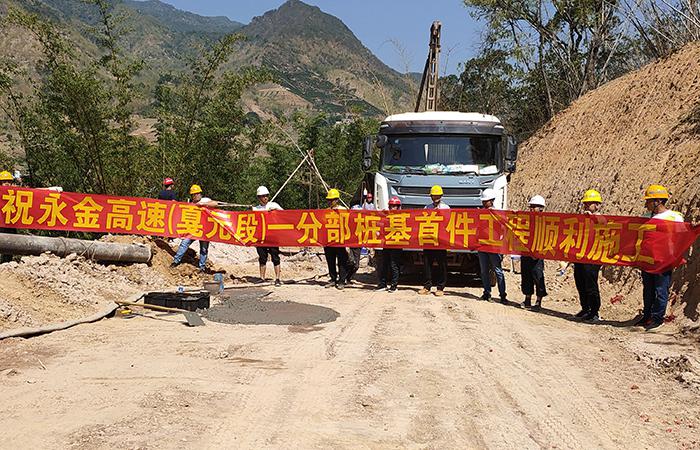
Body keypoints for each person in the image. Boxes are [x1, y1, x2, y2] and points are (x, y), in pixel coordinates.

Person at [635, 184, 684, 331]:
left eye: (648, 201)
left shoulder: (674, 217)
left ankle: (657, 319)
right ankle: (647, 316)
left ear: (658, 201)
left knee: (660, 290)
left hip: (663, 261)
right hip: (648, 260)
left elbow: (682, 235)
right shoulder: (646, 218)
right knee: (648, 290)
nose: (646, 204)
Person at [171, 184, 218, 272]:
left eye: (197, 193)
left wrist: (203, 204)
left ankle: (202, 267)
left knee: (204, 249)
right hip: (193, 229)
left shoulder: (205, 200)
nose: (196, 195)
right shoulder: (191, 203)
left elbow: (215, 204)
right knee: (184, 244)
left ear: (200, 193)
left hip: (204, 230)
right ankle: (176, 261)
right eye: (194, 194)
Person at [573, 189, 603, 322]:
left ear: (597, 205)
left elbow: (603, 226)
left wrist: (592, 217)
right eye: (585, 203)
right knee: (580, 281)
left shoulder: (601, 218)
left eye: (589, 203)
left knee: (591, 284)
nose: (586, 206)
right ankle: (585, 308)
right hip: (581, 255)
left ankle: (594, 311)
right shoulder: (582, 218)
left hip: (593, 257)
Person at [418, 185, 449, 297]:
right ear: (431, 196)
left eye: (437, 196)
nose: (436, 198)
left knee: (442, 265)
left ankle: (440, 287)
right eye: (434, 196)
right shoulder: (427, 208)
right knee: (427, 264)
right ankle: (427, 286)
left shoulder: (446, 208)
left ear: (441, 196)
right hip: (429, 239)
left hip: (440, 240)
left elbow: (448, 223)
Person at [477, 188, 507, 303]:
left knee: (497, 270)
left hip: (494, 246)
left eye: (486, 201)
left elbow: (504, 227)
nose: (484, 203)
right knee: (484, 271)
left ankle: (503, 295)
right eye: (483, 201)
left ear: (492, 200)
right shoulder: (480, 213)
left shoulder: (498, 213)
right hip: (483, 245)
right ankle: (487, 292)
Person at [521, 195, 548, 311]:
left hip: (538, 254)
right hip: (526, 252)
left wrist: (538, 252)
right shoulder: (526, 220)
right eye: (531, 206)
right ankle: (527, 299)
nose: (532, 208)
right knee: (526, 276)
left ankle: (538, 301)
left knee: (538, 277)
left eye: (534, 206)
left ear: (541, 208)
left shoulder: (546, 222)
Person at [253, 186, 283, 286]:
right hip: (261, 236)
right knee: (262, 257)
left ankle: (277, 278)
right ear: (259, 197)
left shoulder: (274, 205)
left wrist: (276, 210)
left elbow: (285, 214)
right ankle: (262, 277)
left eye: (266, 195)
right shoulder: (256, 209)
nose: (265, 197)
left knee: (275, 257)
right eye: (263, 196)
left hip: (273, 235)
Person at [323, 188, 352, 290]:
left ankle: (342, 280)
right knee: (330, 261)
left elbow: (348, 223)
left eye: (332, 200)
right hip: (329, 240)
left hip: (340, 240)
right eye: (329, 200)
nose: (330, 202)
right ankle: (333, 279)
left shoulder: (343, 210)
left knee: (342, 261)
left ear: (337, 200)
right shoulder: (326, 211)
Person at [376, 196, 403, 293]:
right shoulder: (386, 217)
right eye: (391, 206)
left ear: (398, 207)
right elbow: (380, 226)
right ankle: (382, 284)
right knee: (384, 264)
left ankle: (394, 285)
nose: (393, 208)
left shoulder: (402, 217)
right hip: (387, 243)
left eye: (395, 206)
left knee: (394, 265)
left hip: (397, 244)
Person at [0, 171, 17, 263]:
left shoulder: (16, 193)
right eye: (4, 181)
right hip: (1, 223)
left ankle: (7, 264)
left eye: (9, 181)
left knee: (11, 244)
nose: (7, 183)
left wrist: (51, 190)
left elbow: (33, 193)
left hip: (11, 223)